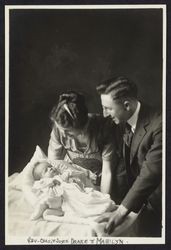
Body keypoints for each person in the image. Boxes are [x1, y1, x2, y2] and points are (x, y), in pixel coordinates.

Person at [96, 76, 162, 236]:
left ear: (127, 105)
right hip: (141, 203)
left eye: (108, 108)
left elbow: (150, 174)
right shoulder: (122, 120)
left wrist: (120, 212)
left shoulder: (161, 125)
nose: (104, 114)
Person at [47, 91, 120, 195]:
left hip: (104, 179)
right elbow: (54, 163)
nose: (63, 134)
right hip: (73, 178)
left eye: (68, 132)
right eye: (60, 129)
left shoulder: (103, 129)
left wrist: (103, 201)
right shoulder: (59, 129)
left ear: (83, 128)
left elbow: (107, 172)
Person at [30, 160, 116, 220]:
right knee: (49, 199)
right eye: (46, 170)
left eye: (50, 166)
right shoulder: (47, 183)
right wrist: (52, 182)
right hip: (66, 198)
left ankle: (102, 206)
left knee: (91, 196)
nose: (50, 168)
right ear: (42, 178)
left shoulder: (63, 174)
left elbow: (79, 177)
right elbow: (41, 189)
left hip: (77, 193)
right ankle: (40, 209)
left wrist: (70, 176)